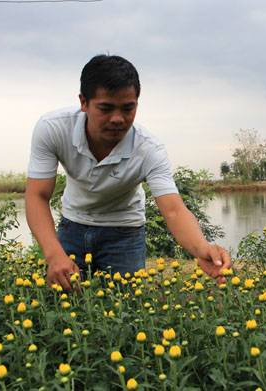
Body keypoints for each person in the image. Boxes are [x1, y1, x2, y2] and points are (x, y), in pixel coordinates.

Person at [25, 54, 231, 293]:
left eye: (128, 108)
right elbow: (37, 196)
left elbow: (174, 210)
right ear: (84, 102)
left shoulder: (149, 149)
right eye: (106, 108)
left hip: (125, 231)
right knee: (63, 305)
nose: (117, 119)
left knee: (126, 312)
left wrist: (201, 248)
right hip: (73, 224)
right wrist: (54, 255)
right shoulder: (52, 129)